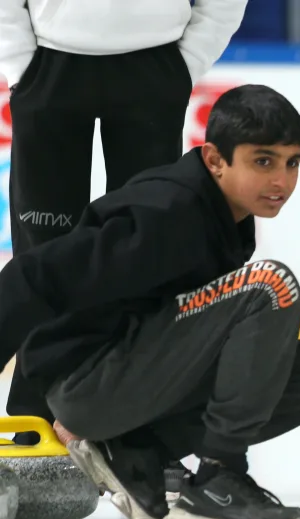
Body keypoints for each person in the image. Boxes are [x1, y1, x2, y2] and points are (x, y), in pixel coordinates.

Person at [0, 85, 300, 519]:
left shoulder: (228, 215)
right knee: (269, 285)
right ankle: (218, 480)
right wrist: (35, 410)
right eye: (263, 161)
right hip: (86, 386)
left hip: (128, 379)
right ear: (214, 160)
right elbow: (32, 275)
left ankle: (138, 447)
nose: (281, 181)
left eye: (292, 162)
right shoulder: (167, 212)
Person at [0, 0, 249, 444]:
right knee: (43, 249)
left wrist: (183, 66)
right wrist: (21, 66)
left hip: (154, 68)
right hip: (49, 67)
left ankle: (135, 420)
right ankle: (33, 418)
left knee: (148, 251)